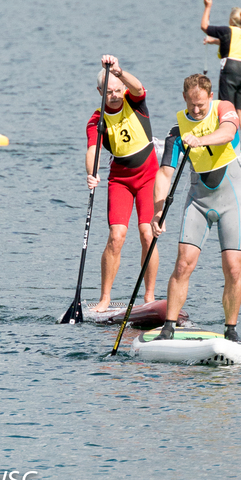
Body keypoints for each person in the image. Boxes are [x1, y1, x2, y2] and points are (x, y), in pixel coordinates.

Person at [151, 73, 241, 341]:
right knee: (183, 264)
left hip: (231, 198)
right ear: (184, 99)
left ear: (210, 98)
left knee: (233, 267)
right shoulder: (178, 130)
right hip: (198, 200)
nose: (196, 110)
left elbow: (228, 133)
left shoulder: (223, 109)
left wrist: (200, 139)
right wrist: (157, 211)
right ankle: (168, 328)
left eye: (201, 105)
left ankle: (231, 331)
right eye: (191, 104)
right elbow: (165, 173)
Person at [86, 54, 159, 313]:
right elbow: (92, 150)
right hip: (121, 180)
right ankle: (105, 298)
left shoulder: (135, 101)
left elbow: (138, 87)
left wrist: (118, 70)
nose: (115, 95)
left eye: (118, 90)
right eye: (109, 92)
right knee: (116, 237)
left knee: (147, 234)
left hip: (149, 176)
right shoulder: (97, 120)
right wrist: (91, 173)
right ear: (99, 92)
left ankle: (149, 297)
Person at [200, 0, 241, 150]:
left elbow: (204, 27)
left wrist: (207, 7)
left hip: (230, 68)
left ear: (231, 21)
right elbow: (230, 42)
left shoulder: (227, 30)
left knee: (225, 106)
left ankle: (226, 143)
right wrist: (213, 41)